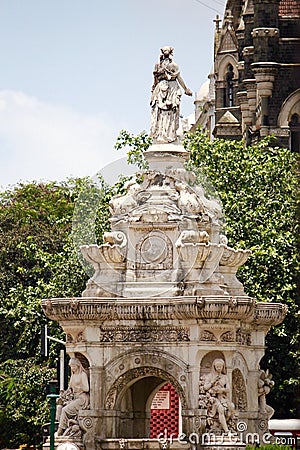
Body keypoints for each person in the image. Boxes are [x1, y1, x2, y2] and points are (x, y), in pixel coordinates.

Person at [150, 46, 192, 144]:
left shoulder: (174, 65)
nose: (165, 52)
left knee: (172, 111)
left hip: (172, 88)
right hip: (161, 88)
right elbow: (155, 78)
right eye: (164, 50)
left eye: (167, 50)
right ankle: (160, 134)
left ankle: (170, 134)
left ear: (170, 52)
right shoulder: (157, 65)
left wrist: (186, 89)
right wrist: (154, 89)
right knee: (159, 111)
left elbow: (178, 77)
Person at [56, 358, 90, 436]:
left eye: (73, 366)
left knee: (65, 410)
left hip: (82, 399)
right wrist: (63, 395)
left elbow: (86, 388)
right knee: (60, 407)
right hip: (75, 398)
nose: (72, 368)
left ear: (78, 366)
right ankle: (61, 427)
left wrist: (78, 388)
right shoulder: (73, 376)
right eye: (71, 366)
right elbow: (70, 389)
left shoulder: (82, 375)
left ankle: (60, 430)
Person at [203, 358, 234, 433]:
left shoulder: (225, 377)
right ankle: (226, 430)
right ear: (214, 367)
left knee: (232, 407)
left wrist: (221, 390)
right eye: (217, 367)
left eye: (221, 366)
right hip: (213, 399)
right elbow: (205, 387)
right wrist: (212, 382)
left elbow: (228, 389)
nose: (219, 368)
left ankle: (223, 424)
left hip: (222, 397)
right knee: (220, 409)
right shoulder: (210, 376)